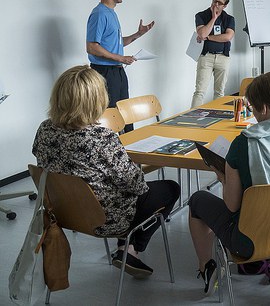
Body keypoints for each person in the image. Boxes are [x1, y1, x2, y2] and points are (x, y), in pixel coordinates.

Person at [32, 65, 179, 277]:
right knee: (170, 188)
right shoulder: (101, 138)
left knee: (123, 192)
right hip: (106, 219)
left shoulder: (44, 130)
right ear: (96, 100)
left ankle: (125, 248)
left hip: (63, 214)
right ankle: (132, 248)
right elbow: (136, 185)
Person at [188, 72, 270, 293]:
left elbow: (232, 205)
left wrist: (223, 178)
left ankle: (206, 268)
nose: (251, 112)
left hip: (252, 240)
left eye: (252, 107)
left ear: (265, 108)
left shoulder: (243, 144)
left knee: (198, 199)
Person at [86, 0, 155, 131]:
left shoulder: (111, 13)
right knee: (110, 116)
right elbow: (92, 47)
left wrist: (138, 34)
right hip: (104, 72)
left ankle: (129, 151)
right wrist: (121, 58)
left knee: (126, 114)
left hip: (117, 71)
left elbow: (115, 43)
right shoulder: (99, 14)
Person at [191, 0, 236, 107]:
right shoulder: (201, 15)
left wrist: (209, 37)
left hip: (223, 57)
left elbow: (228, 37)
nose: (216, 4)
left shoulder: (229, 19)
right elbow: (201, 34)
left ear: (225, 6)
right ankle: (192, 120)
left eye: (219, 3)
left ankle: (218, 117)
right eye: (214, 0)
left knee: (219, 92)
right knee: (200, 92)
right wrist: (214, 18)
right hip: (206, 57)